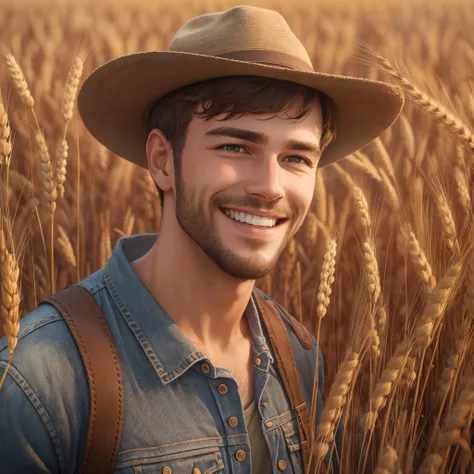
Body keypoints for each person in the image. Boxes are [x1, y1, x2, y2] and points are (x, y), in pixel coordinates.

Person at [0, 5, 404, 473]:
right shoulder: (38, 380)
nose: (270, 187)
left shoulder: (299, 358)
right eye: (235, 147)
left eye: (296, 157)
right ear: (162, 160)